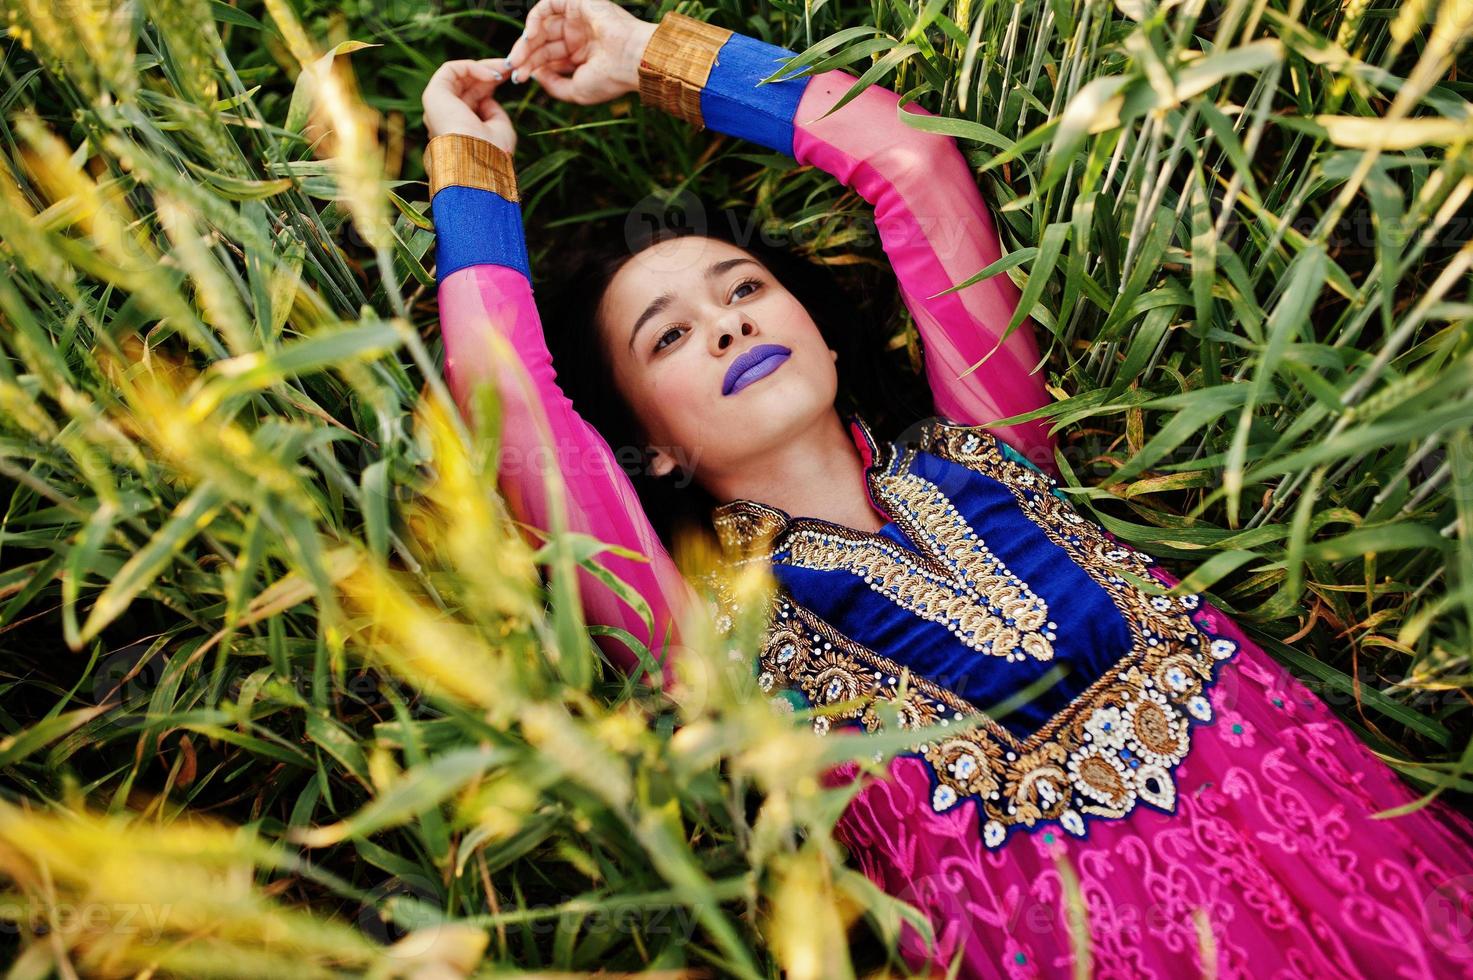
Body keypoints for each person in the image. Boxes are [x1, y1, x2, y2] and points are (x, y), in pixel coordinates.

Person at [419, 2, 1473, 975]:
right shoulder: (696, 629)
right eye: (671, 336)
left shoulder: (994, 439)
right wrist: (468, 165)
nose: (731, 323)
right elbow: (504, 393)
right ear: (648, 448)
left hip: (1339, 846)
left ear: (820, 327)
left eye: (744, 288)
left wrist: (651, 52)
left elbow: (911, 163)